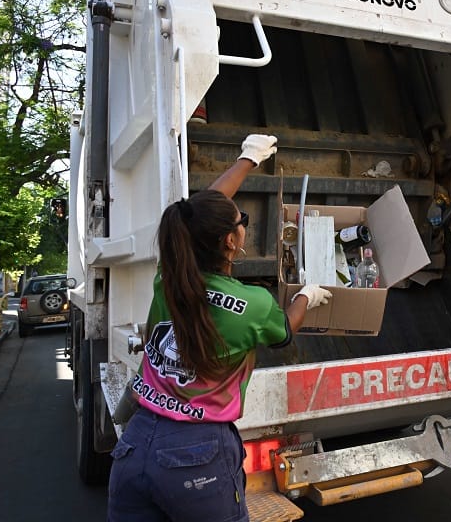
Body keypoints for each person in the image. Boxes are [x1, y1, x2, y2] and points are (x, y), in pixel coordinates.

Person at [107, 134, 332, 521]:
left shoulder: (169, 276)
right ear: (231, 241)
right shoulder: (252, 304)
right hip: (198, 457)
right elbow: (285, 331)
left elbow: (194, 215)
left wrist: (247, 159)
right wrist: (305, 299)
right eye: (240, 222)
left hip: (135, 444)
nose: (243, 225)